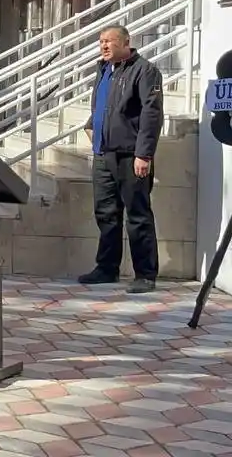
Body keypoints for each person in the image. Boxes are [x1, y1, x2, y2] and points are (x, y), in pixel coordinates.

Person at [79, 25, 164, 294]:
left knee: (137, 214)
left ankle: (145, 275)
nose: (104, 46)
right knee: (106, 213)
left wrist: (144, 154)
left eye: (109, 41)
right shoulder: (104, 70)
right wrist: (92, 124)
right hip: (103, 154)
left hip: (130, 156)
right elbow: (101, 104)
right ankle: (107, 268)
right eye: (101, 41)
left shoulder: (144, 71)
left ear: (126, 42)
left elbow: (152, 115)